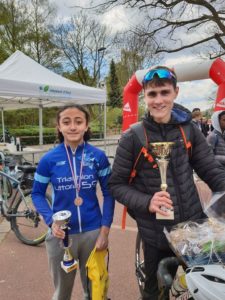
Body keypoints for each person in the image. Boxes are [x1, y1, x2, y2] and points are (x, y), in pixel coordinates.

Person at [108, 66, 225, 300]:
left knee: (210, 289)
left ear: (175, 92)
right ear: (144, 97)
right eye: (152, 94)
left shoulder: (189, 130)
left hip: (194, 230)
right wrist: (147, 201)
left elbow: (212, 171)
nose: (158, 100)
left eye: (164, 92)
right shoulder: (133, 137)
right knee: (156, 295)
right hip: (156, 233)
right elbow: (116, 184)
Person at [32, 104, 115, 300]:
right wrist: (51, 222)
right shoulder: (49, 159)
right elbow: (37, 193)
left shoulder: (98, 156)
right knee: (62, 293)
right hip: (61, 236)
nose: (73, 127)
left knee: (95, 292)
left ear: (86, 126)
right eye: (66, 122)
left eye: (78, 122)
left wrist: (104, 230)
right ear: (59, 127)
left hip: (93, 233)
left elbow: (109, 193)